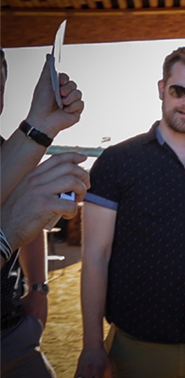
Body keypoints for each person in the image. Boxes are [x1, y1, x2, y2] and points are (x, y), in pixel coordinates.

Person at [75, 47, 185, 378]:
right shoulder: (117, 161)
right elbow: (96, 254)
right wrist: (92, 344)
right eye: (178, 90)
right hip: (136, 348)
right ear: (161, 89)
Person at [1, 47, 88, 377]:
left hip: (12, 328)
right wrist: (7, 233)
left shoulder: (8, 149)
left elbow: (31, 225)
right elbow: (16, 225)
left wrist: (39, 287)